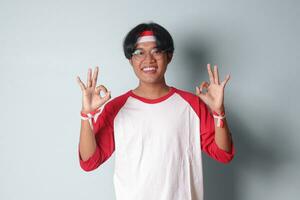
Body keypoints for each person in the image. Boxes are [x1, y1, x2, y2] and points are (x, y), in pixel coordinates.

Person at [76, 22, 235, 200]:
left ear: (169, 56)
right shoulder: (117, 108)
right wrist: (86, 115)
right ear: (130, 60)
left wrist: (218, 112)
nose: (148, 59)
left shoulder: (191, 104)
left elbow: (223, 153)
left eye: (156, 51)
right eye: (139, 52)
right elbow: (89, 161)